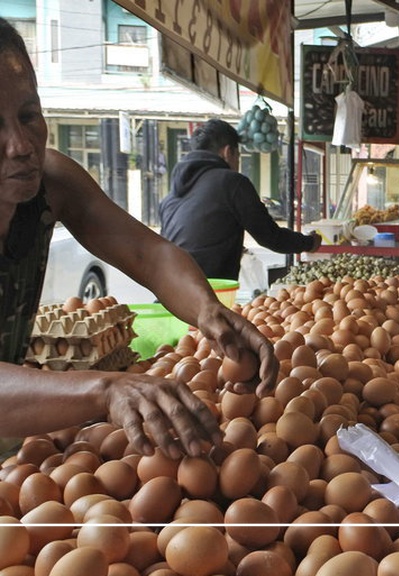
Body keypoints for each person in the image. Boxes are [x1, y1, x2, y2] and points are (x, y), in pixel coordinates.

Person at [0, 18, 278, 459]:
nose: (20, 144)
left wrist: (208, 312)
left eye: (29, 116)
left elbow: (149, 255)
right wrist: (104, 389)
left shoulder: (51, 183)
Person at [159, 119, 321, 281]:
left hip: (169, 291)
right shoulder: (232, 182)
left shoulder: (171, 195)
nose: (238, 163)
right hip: (205, 293)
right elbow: (270, 237)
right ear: (228, 152)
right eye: (238, 156)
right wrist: (309, 243)